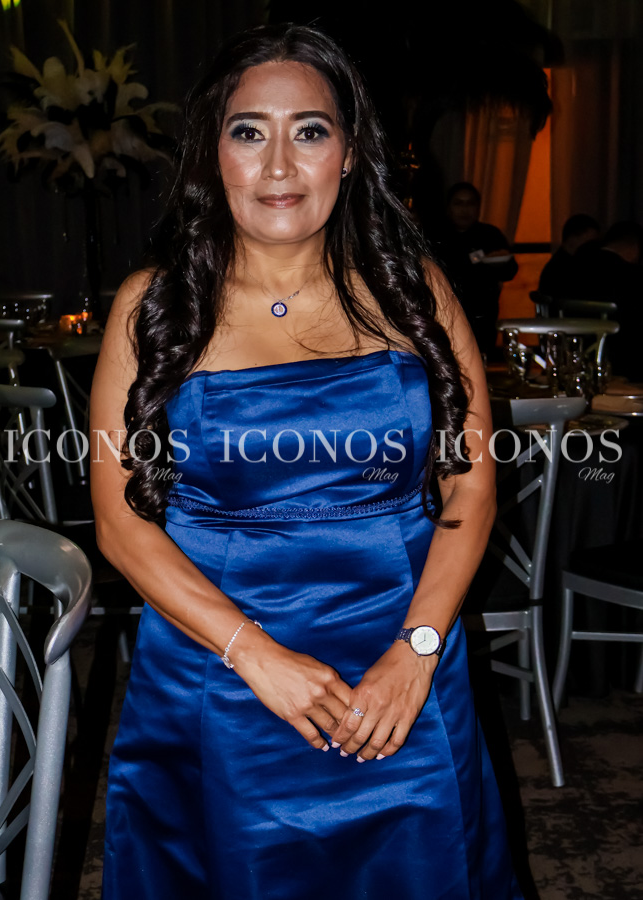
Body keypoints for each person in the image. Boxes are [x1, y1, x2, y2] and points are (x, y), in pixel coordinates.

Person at [92, 23, 523, 899]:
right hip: (220, 671)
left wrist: (418, 649)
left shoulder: (414, 291)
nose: (279, 165)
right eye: (249, 132)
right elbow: (120, 524)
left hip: (403, 662)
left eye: (311, 131)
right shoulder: (155, 305)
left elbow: (471, 486)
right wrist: (255, 656)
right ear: (213, 154)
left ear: (351, 154)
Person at [433, 182, 518, 358]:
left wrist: (497, 263)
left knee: (481, 359)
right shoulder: (436, 235)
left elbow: (510, 271)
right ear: (448, 207)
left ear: (478, 207)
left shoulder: (490, 235)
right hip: (444, 314)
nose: (465, 209)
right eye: (458, 203)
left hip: (482, 316)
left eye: (470, 203)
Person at [568, 221, 643, 381]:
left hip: (574, 347)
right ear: (634, 247)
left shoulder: (574, 265)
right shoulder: (628, 275)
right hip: (619, 357)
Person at [538, 213, 600, 303]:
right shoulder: (562, 269)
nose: (593, 247)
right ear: (573, 238)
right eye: (589, 242)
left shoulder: (559, 263)